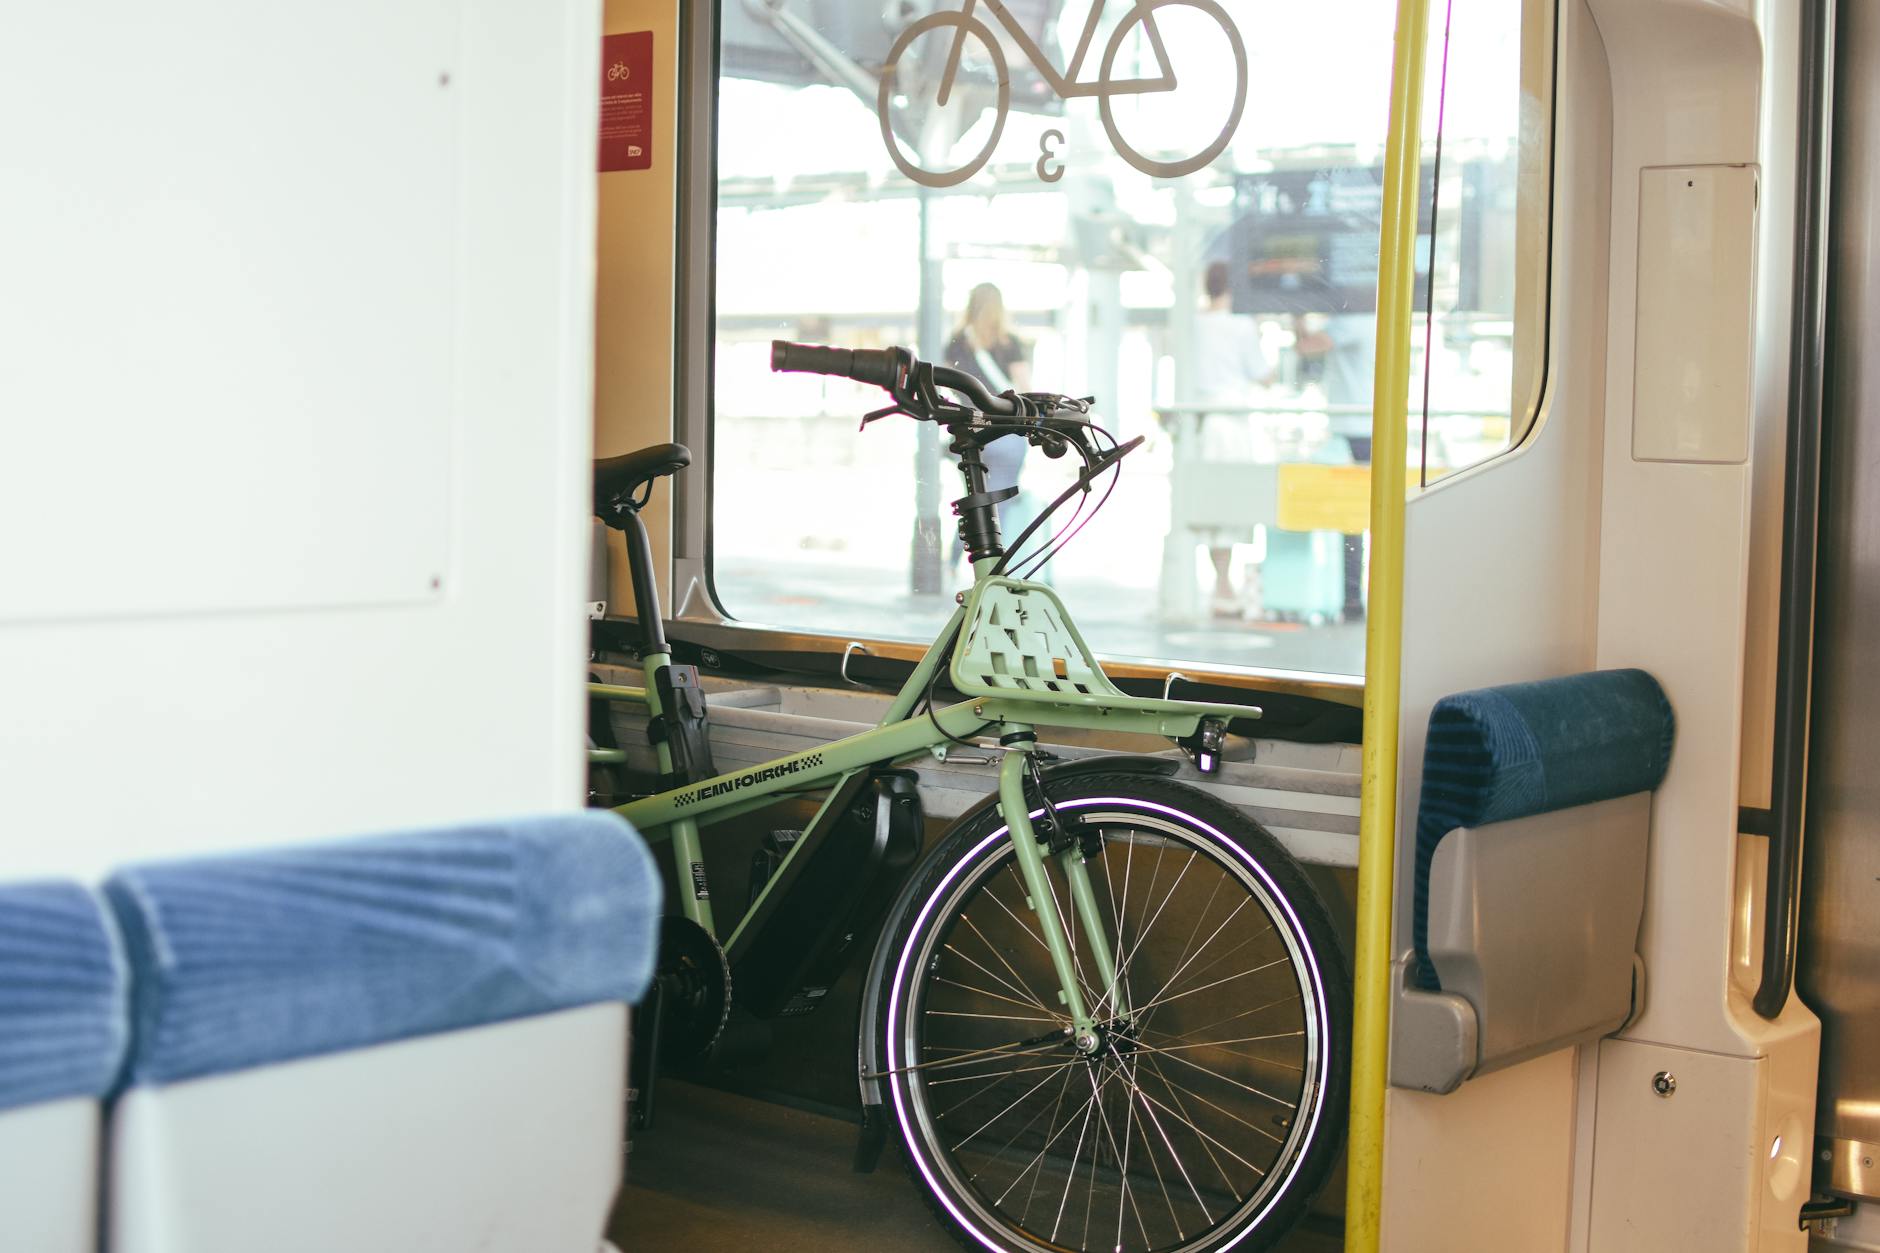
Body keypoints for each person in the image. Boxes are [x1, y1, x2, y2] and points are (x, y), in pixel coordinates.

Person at [1192, 260, 1276, 614]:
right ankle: (1225, 588)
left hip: (1201, 421)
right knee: (1231, 504)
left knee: (1211, 504)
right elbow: (1263, 374)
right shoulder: (1242, 326)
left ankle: (1221, 584)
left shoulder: (1193, 324)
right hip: (1233, 422)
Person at [942, 283, 1035, 565]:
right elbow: (1024, 389)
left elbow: (945, 388)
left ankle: (955, 559)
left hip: (971, 434)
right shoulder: (1010, 343)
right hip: (1005, 433)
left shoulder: (957, 342)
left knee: (975, 502)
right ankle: (996, 566)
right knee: (1001, 502)